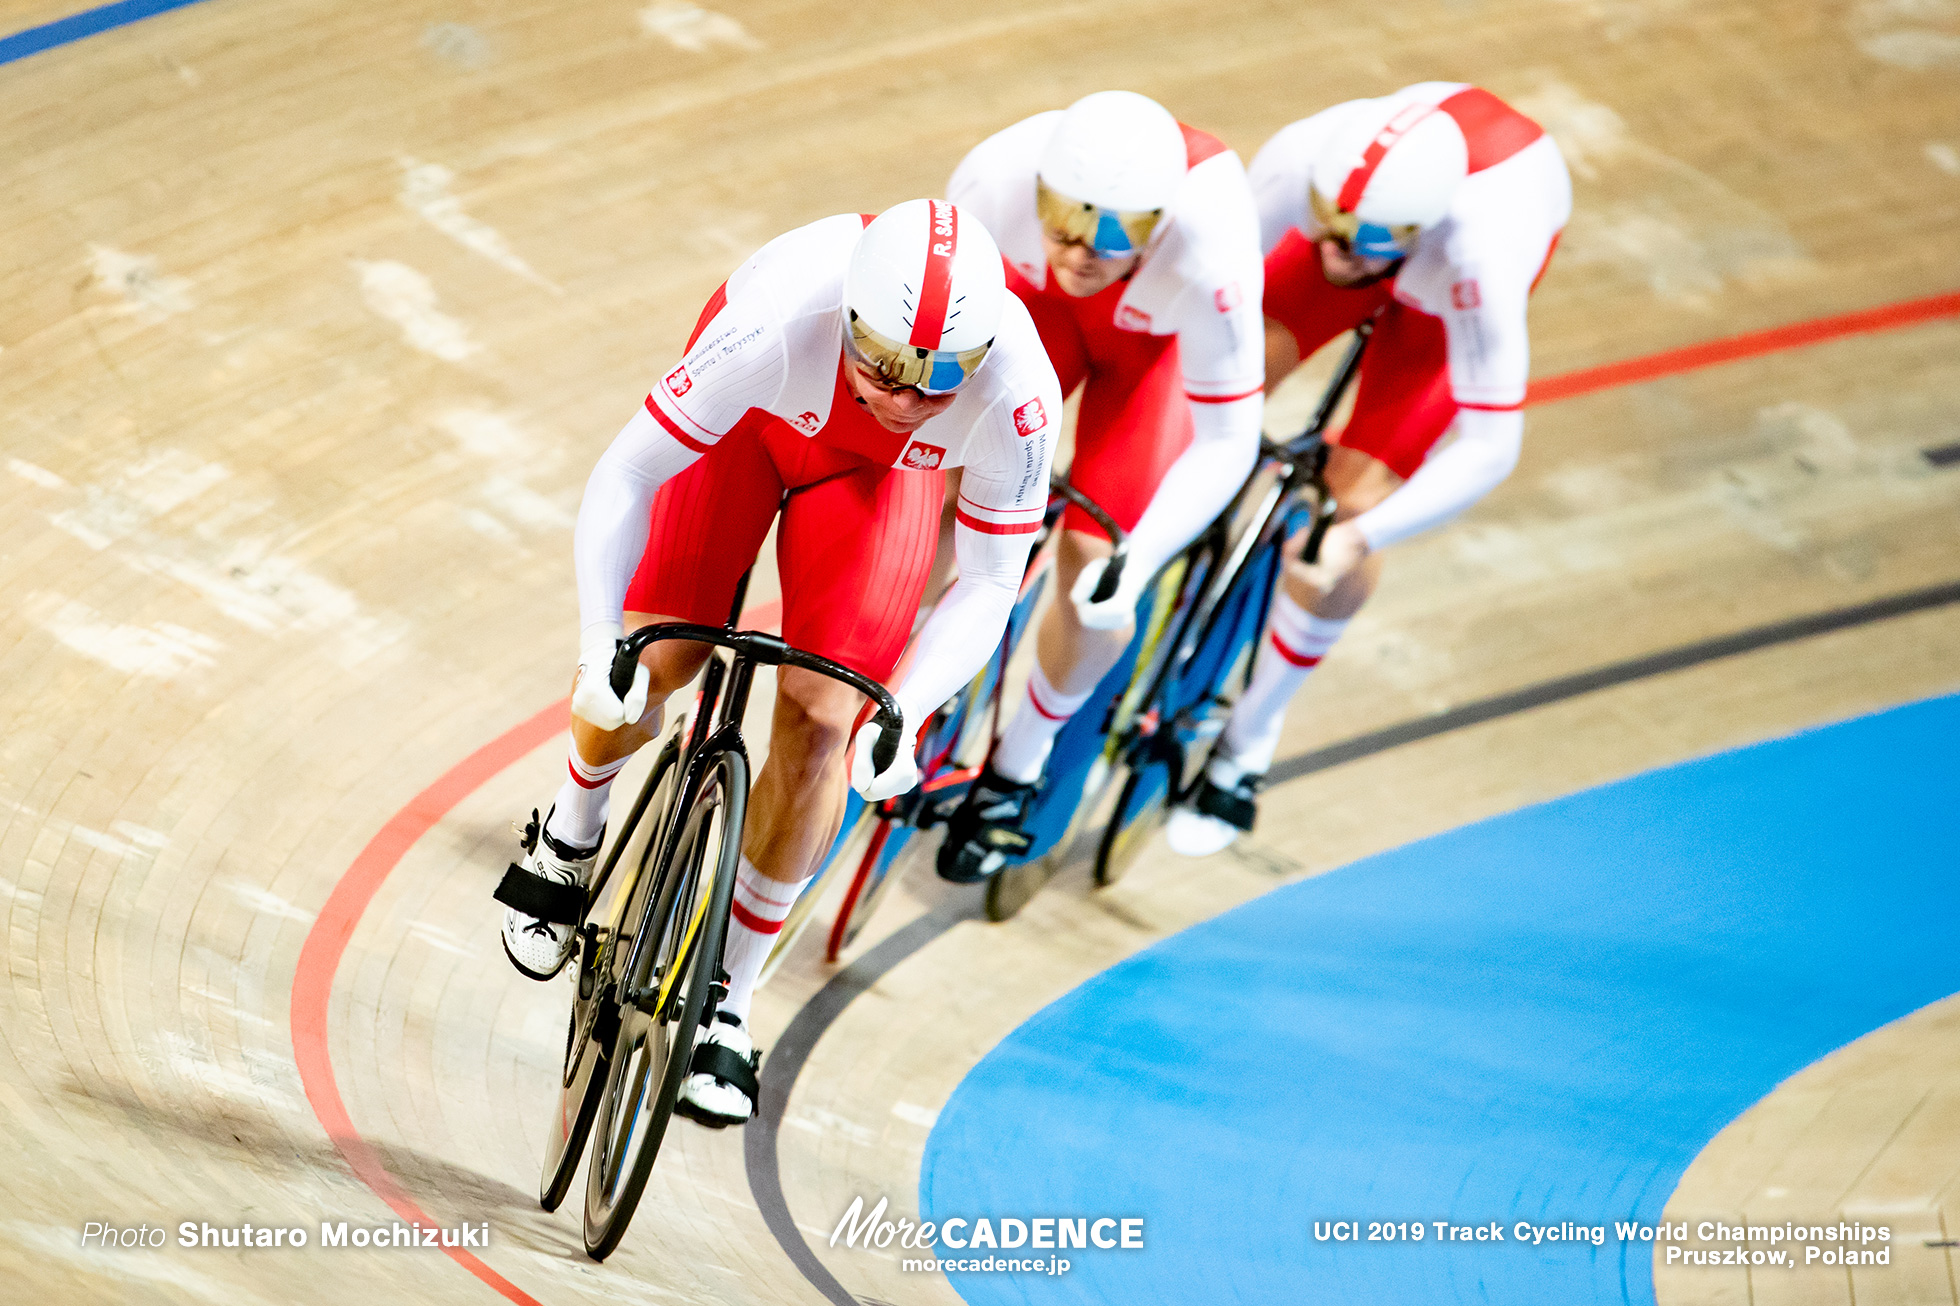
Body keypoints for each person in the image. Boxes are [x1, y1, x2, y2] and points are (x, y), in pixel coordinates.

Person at [497, 199, 1061, 1125]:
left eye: (940, 379)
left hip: (874, 481)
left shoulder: (1018, 396)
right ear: (847, 319)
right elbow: (628, 473)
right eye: (884, 364)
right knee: (654, 659)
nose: (908, 396)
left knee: (828, 721)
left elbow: (995, 579)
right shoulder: (774, 323)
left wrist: (907, 710)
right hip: (746, 433)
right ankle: (570, 830)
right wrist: (601, 638)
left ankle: (730, 998)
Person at [1164, 83, 1570, 855]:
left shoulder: (1482, 256)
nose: (1333, 253)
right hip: (1383, 221)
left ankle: (1247, 742)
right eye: (1327, 228)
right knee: (1217, 387)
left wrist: (1359, 537)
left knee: (1350, 504)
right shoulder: (1304, 164)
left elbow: (1492, 447)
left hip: (1439, 295)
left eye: (1359, 246)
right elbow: (1209, 293)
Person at [936, 90, 1267, 880]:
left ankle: (1015, 769)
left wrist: (1139, 557)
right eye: (1066, 225)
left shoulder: (1214, 247)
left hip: (1145, 361)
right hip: (1033, 318)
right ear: (1038, 194)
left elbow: (1231, 437)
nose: (1085, 251)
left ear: (1162, 222)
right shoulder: (991, 179)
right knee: (944, 490)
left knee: (1094, 566)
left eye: (1118, 237)